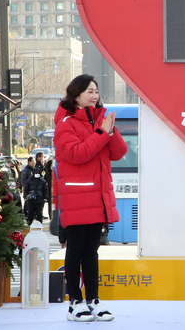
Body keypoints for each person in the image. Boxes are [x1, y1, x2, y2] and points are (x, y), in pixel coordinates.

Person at [54, 74, 127, 322]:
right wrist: (101, 133)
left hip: (97, 197)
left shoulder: (101, 121)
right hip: (76, 196)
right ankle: (74, 302)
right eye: (89, 91)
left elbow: (119, 152)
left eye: (96, 91)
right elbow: (77, 154)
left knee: (92, 251)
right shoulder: (65, 123)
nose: (94, 95)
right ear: (76, 95)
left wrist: (109, 130)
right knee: (75, 251)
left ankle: (93, 300)